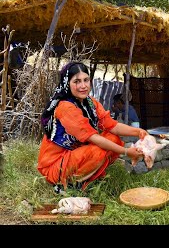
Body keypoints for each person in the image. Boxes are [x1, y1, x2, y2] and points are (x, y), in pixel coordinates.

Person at [38, 62, 146, 193]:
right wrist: (126, 152)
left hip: (75, 155)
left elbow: (112, 126)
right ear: (67, 84)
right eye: (76, 81)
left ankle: (85, 179)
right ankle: (67, 183)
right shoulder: (65, 107)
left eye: (86, 80)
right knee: (99, 151)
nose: (83, 86)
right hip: (54, 166)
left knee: (114, 139)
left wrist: (139, 132)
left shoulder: (90, 102)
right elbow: (93, 138)